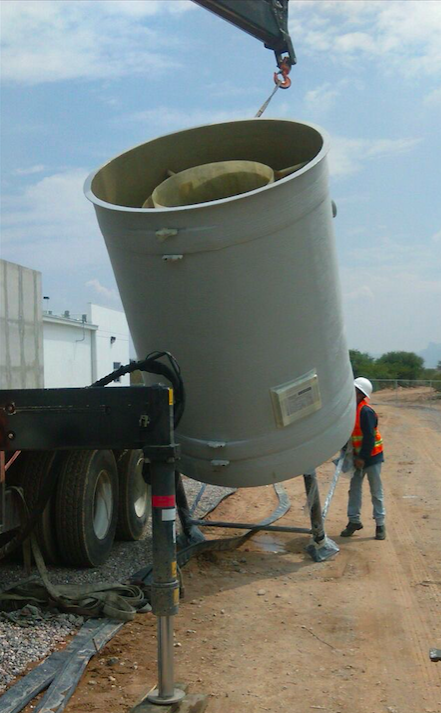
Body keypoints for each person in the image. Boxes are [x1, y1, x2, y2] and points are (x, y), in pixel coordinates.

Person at [340, 377, 386, 540]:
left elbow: (369, 437)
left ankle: (380, 525)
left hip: (371, 457)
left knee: (376, 491)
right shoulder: (351, 409)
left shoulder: (366, 412)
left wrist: (362, 457)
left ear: (360, 394)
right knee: (354, 490)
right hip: (357, 457)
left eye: (353, 390)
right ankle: (354, 521)